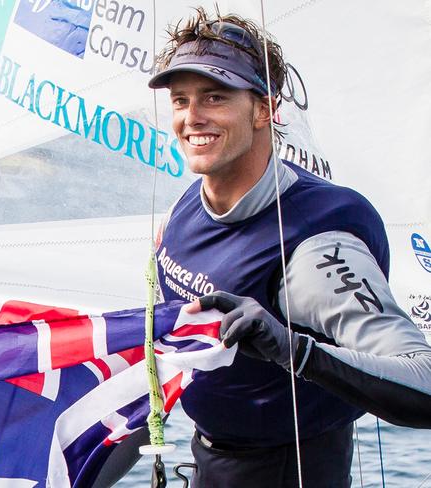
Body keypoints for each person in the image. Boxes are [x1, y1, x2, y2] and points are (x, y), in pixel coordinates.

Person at [147, 7, 431, 488]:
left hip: (291, 472)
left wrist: (292, 349)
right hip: (208, 460)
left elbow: (424, 383)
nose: (191, 118)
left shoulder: (316, 245)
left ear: (265, 109)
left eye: (214, 97)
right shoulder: (187, 205)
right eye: (180, 101)